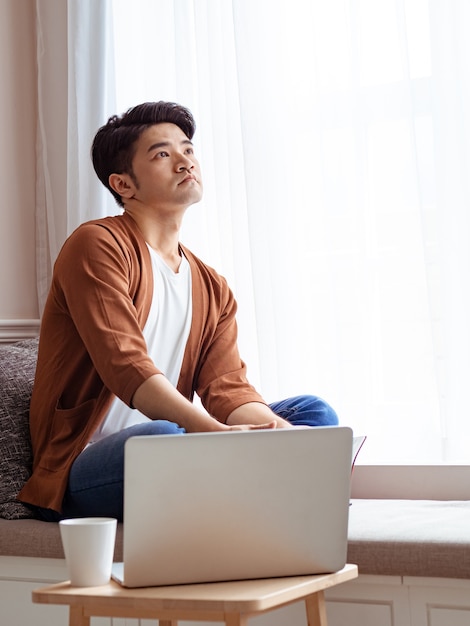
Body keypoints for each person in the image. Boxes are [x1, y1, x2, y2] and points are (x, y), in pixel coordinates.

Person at [19, 101, 338, 522]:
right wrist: (214, 435)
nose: (185, 161)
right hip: (87, 462)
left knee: (313, 414)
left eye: (188, 149)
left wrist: (272, 432)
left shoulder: (211, 285)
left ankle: (253, 480)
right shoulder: (96, 245)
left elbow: (228, 390)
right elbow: (127, 366)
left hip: (179, 447)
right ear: (123, 184)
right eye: (163, 154)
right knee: (165, 438)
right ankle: (267, 488)